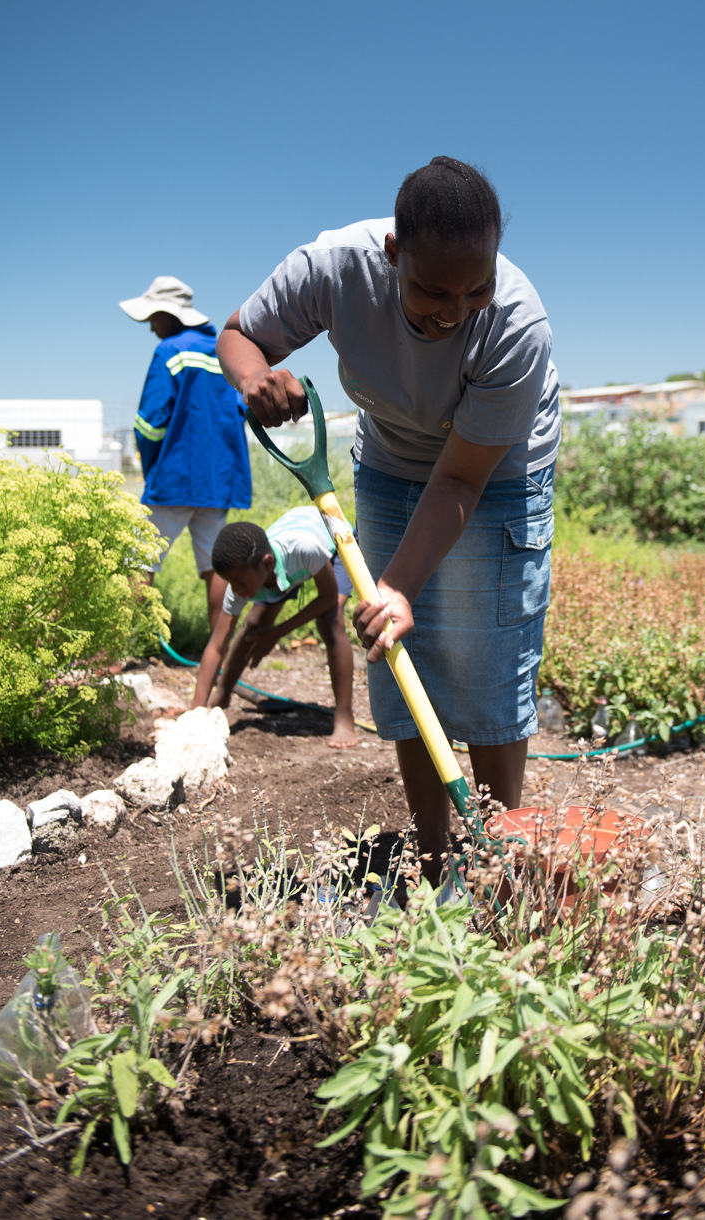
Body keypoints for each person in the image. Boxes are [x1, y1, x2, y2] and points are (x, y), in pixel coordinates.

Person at [216, 156, 560, 880]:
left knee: (487, 662)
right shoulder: (334, 266)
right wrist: (253, 378)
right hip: (391, 461)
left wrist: (398, 582)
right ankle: (435, 860)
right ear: (393, 255)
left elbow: (463, 476)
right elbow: (241, 333)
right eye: (433, 290)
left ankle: (497, 865)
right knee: (411, 660)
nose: (455, 309)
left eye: (477, 288)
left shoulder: (516, 325)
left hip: (493, 470)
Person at [120, 276, 252, 632]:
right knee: (215, 565)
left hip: (175, 478)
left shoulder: (170, 350)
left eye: (153, 318)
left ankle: (114, 652)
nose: (151, 328)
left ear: (169, 315)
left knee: (141, 558)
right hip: (218, 483)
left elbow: (150, 423)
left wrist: (153, 469)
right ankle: (218, 654)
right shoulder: (224, 351)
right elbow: (241, 412)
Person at [191, 510, 357, 747]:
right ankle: (222, 694)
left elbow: (328, 597)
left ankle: (344, 716)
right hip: (284, 563)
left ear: (266, 564)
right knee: (253, 625)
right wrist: (195, 713)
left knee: (331, 621)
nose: (236, 590)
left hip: (335, 539)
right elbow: (216, 646)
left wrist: (277, 633)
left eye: (240, 583)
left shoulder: (305, 549)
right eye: (231, 583)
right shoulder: (245, 575)